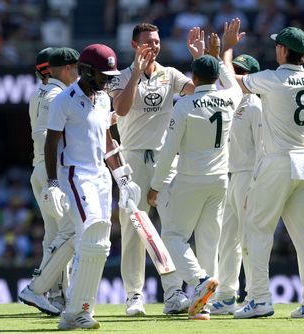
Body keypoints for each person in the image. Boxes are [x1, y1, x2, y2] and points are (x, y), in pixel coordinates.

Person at [221, 20, 304, 319]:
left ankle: (259, 299)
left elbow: (232, 81)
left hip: (277, 162)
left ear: (282, 50)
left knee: (256, 227)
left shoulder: (272, 78)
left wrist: (227, 49)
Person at [147, 28, 243, 320]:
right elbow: (230, 82)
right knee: (208, 241)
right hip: (219, 180)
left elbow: (168, 150)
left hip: (190, 178)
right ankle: (204, 304)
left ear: (194, 78)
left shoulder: (185, 104)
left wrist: (155, 185)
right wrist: (213, 57)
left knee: (173, 235)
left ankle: (200, 282)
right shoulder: (231, 98)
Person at [43, 43, 141, 330]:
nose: (108, 80)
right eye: (103, 74)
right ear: (85, 71)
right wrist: (52, 183)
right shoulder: (64, 100)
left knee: (101, 245)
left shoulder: (102, 99)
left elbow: (108, 141)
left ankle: (79, 311)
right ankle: (77, 311)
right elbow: (51, 142)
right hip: (75, 175)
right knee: (93, 235)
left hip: (100, 176)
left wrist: (123, 177)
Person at [108, 22, 195, 316]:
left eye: (156, 41)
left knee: (171, 227)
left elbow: (197, 90)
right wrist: (135, 72)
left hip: (165, 159)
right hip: (131, 159)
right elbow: (120, 110)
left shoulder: (170, 75)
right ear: (134, 45)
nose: (153, 46)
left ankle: (173, 293)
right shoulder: (120, 77)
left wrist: (201, 58)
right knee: (134, 230)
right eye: (147, 42)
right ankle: (134, 296)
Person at [18, 47, 80, 315]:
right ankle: (39, 288)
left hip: (40, 170)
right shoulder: (58, 95)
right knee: (71, 233)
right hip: (53, 170)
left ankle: (55, 295)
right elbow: (48, 138)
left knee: (54, 235)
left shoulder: (38, 93)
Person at [210, 53, 263, 315]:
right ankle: (226, 295)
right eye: (235, 70)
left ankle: (254, 294)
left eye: (242, 71)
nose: (235, 75)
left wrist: (255, 184)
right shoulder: (231, 102)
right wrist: (211, 55)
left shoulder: (254, 105)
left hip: (247, 176)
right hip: (229, 176)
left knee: (247, 240)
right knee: (226, 240)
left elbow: (263, 149)